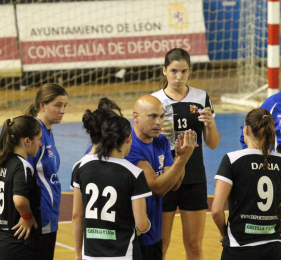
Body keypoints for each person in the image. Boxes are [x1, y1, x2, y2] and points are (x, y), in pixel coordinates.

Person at [152, 48, 220, 260]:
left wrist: (210, 124)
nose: (178, 77)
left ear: (190, 72)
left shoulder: (201, 97)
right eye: (173, 71)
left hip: (193, 178)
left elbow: (213, 143)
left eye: (184, 71)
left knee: (193, 245)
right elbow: (143, 141)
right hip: (165, 178)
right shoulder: (154, 101)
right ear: (164, 71)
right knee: (159, 245)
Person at [212, 109, 281, 260]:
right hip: (273, 248)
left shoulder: (232, 159)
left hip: (238, 247)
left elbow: (216, 210)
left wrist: (224, 233)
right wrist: (270, 213)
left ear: (247, 129)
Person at [125, 94, 197, 260]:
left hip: (154, 230)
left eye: (161, 116)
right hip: (134, 234)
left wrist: (180, 158)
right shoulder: (129, 146)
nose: (158, 122)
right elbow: (157, 188)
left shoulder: (162, 141)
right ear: (136, 117)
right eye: (152, 116)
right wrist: (183, 160)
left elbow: (174, 184)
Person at [72, 113, 152, 260]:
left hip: (90, 254)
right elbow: (141, 225)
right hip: (124, 254)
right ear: (129, 138)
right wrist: (148, 225)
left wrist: (78, 254)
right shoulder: (134, 173)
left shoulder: (80, 167)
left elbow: (77, 216)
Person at [0, 116, 42, 260]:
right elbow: (19, 200)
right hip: (17, 243)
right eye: (39, 139)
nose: (40, 144)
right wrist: (27, 216)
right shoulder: (22, 166)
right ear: (27, 141)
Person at [25, 83, 68, 260]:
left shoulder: (46, 131)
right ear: (42, 105)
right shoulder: (34, 134)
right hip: (38, 216)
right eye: (58, 105)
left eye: (65, 106)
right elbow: (22, 176)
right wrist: (24, 214)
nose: (63, 110)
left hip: (49, 213)